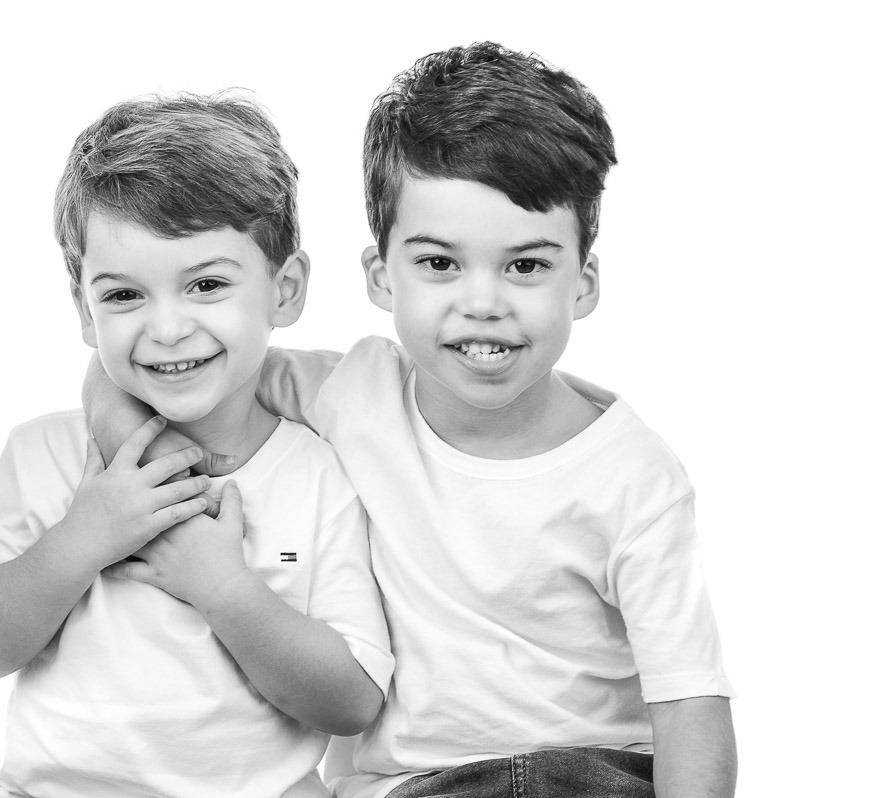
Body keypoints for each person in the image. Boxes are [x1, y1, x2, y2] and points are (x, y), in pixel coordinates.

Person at [85, 43, 737, 798]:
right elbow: (134, 371)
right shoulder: (352, 392)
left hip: (586, 773)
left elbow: (690, 702)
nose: (482, 301)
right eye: (439, 264)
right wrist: (149, 477)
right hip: (409, 787)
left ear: (583, 284)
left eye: (525, 265)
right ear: (380, 276)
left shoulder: (633, 477)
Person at [0, 92, 393, 798]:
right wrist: (81, 539)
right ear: (83, 310)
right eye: (124, 296)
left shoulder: (321, 474)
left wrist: (225, 590)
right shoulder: (44, 454)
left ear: (285, 290)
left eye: (207, 284)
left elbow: (352, 702)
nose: (168, 327)